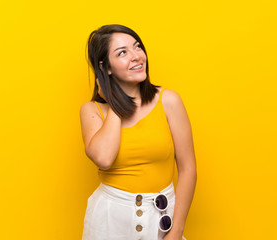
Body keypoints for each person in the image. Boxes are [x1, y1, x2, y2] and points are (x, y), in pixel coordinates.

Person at [79, 24, 196, 240]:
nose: (136, 56)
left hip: (161, 215)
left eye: (137, 47)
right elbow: (104, 158)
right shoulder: (92, 110)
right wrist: (114, 103)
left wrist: (177, 230)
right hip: (109, 219)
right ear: (106, 68)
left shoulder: (168, 101)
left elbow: (188, 168)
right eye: (122, 52)